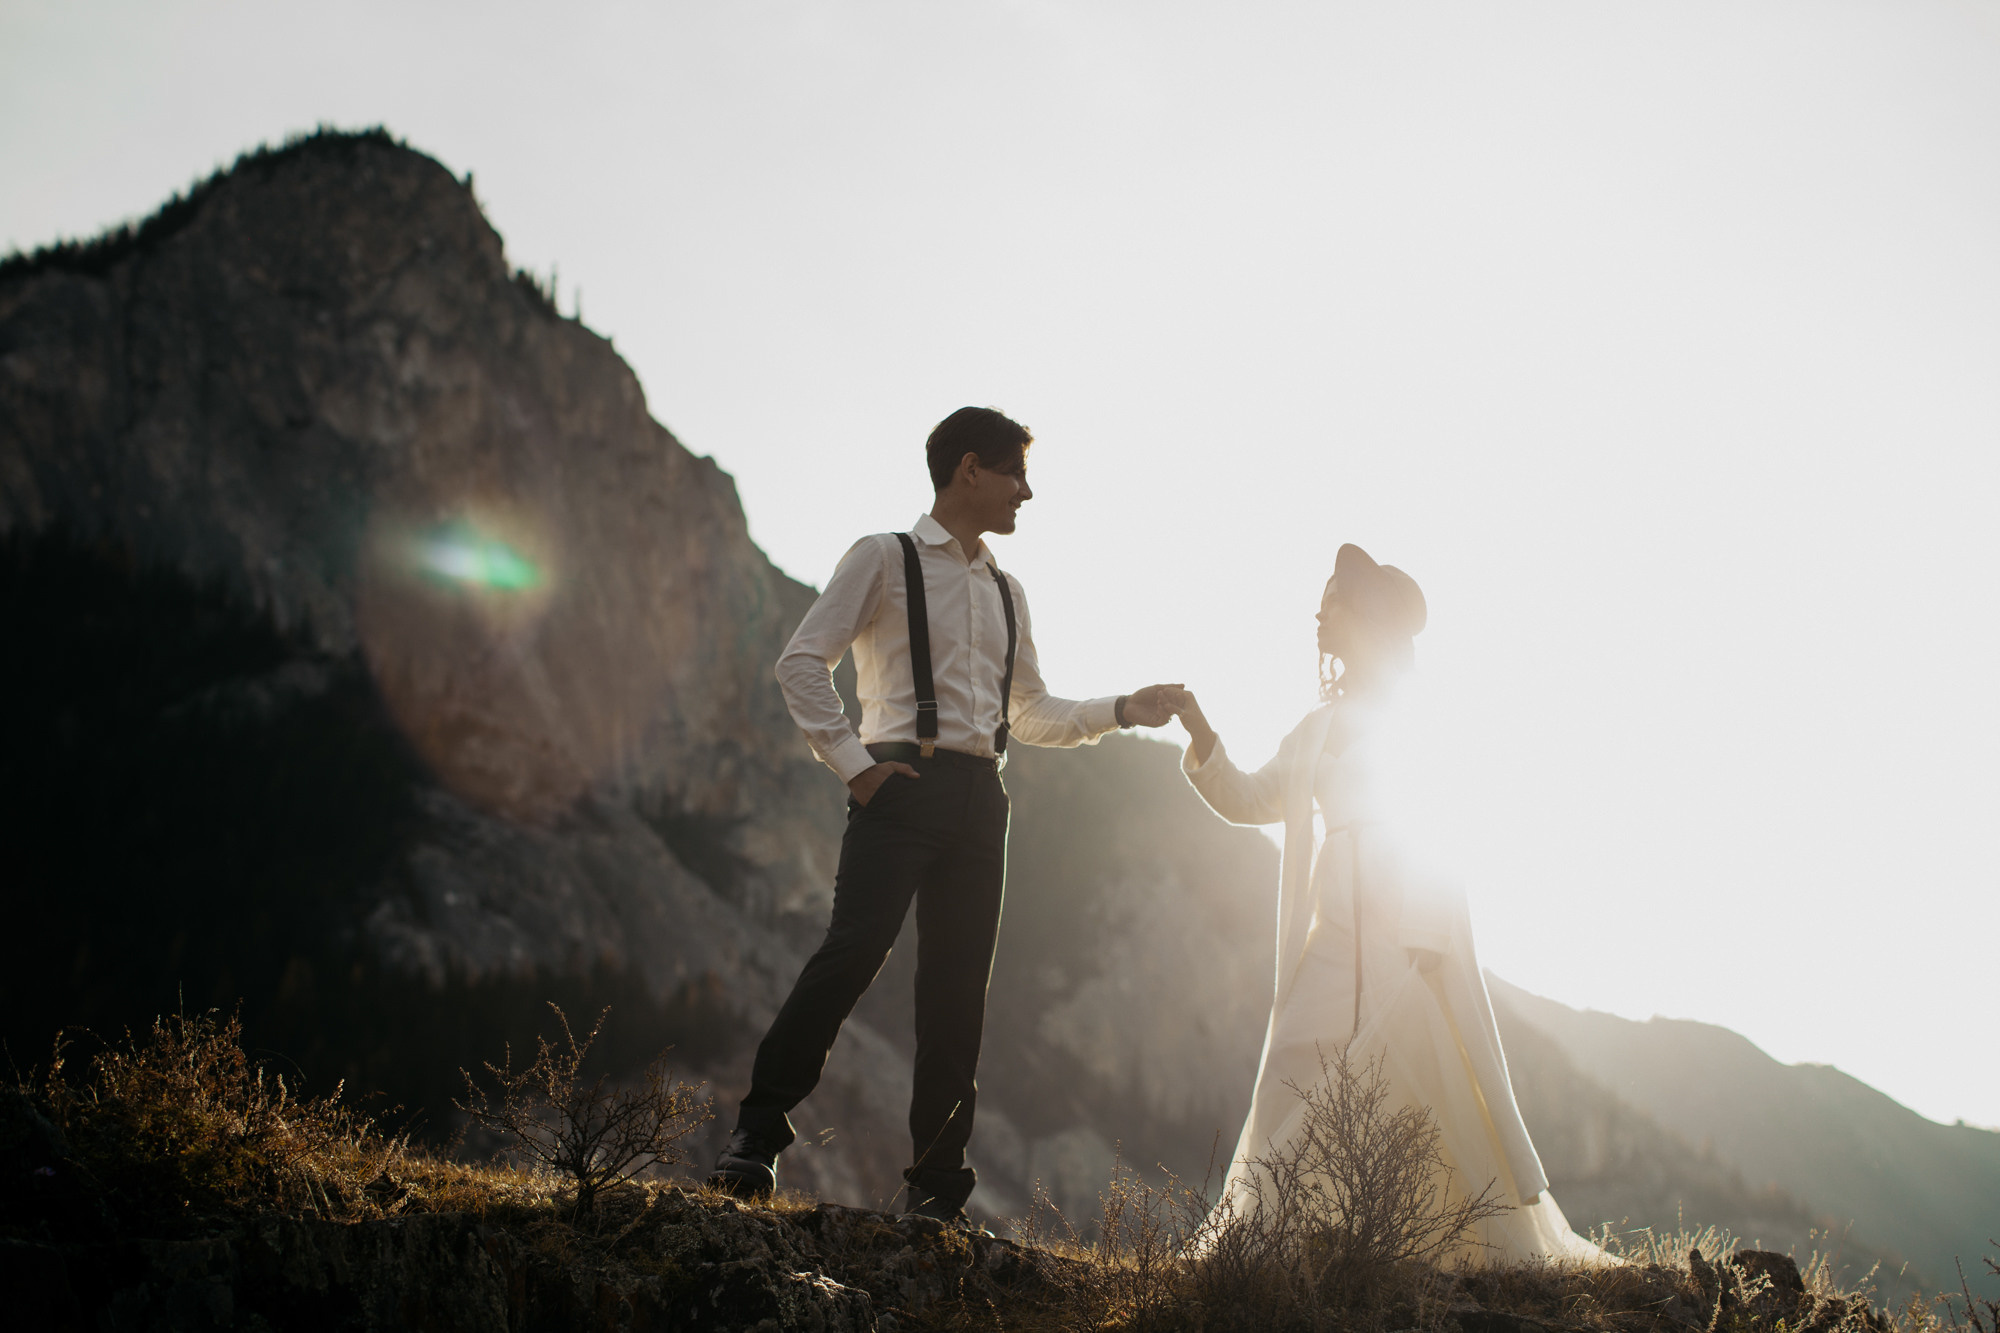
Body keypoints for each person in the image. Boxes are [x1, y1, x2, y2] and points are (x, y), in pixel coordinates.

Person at [710, 406, 1181, 1227]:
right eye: (1015, 475)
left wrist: (1122, 709)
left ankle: (935, 1186)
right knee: (852, 953)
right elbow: (800, 663)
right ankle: (754, 1134)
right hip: (899, 785)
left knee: (958, 995)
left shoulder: (1008, 590)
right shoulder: (882, 558)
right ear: (970, 469)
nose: (1025, 493)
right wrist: (857, 768)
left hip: (981, 800)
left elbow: (1027, 712)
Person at [1168, 543, 1602, 1265]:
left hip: (1406, 938)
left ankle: (1435, 1250)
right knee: (1291, 1067)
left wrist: (1426, 939)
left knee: (1415, 1087)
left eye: (1331, 599)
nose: (1318, 612)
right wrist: (1200, 731)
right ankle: (1283, 1252)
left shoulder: (1416, 717)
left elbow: (1442, 819)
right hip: (1329, 942)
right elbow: (1248, 798)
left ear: (1362, 615)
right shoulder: (1311, 730)